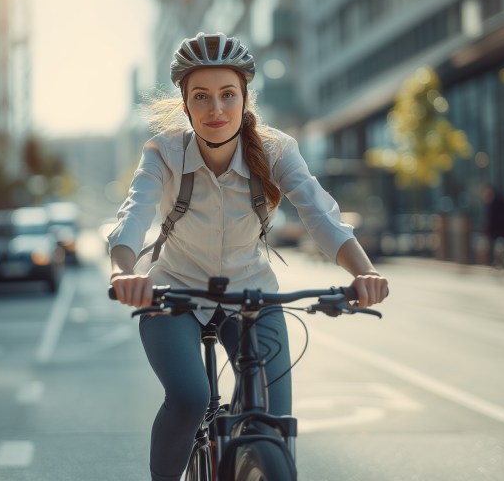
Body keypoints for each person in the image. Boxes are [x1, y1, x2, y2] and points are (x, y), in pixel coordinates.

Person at [108, 32, 389, 481]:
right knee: (189, 397)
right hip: (173, 297)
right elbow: (133, 216)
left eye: (227, 95)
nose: (216, 109)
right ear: (185, 105)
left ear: (244, 99)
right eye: (201, 97)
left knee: (271, 419)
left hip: (254, 298)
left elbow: (321, 214)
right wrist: (124, 273)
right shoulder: (163, 154)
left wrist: (365, 272)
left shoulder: (276, 150)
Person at [482, 183, 504, 269]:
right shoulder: (491, 204)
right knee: (497, 249)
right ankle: (497, 264)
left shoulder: (498, 203)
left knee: (500, 248)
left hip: (501, 231)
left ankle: (500, 263)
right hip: (496, 232)